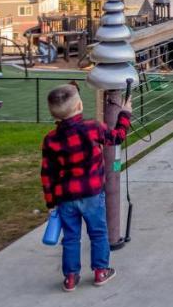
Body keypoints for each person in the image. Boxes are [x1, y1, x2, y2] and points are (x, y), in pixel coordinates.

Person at [40, 82, 132, 292]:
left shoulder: (50, 140)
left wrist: (50, 202)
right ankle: (101, 270)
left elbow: (47, 173)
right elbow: (117, 137)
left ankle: (71, 277)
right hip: (92, 193)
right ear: (80, 106)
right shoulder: (92, 128)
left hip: (65, 198)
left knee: (71, 237)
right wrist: (125, 113)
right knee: (98, 232)